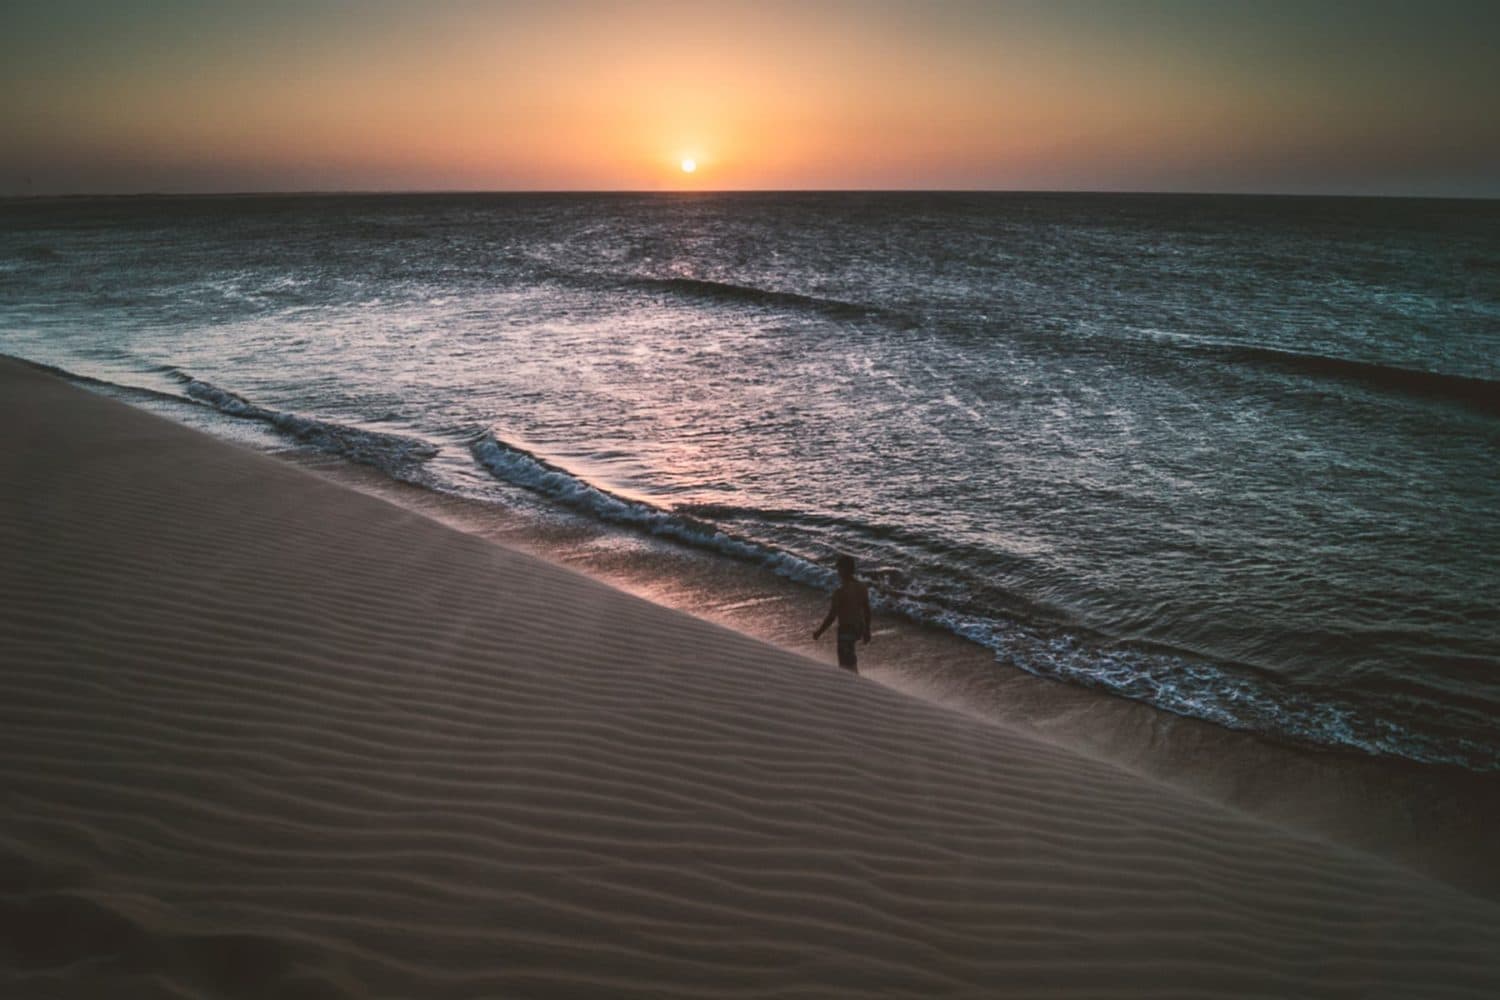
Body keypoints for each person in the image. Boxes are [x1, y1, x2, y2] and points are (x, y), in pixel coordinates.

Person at [812, 554, 872, 673]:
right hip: (858, 628)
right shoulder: (862, 587)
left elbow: (832, 616)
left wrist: (819, 632)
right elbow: (867, 610)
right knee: (851, 658)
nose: (838, 571)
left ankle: (853, 683)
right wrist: (867, 630)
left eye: (839, 568)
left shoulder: (840, 592)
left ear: (843, 570)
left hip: (846, 630)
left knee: (845, 664)